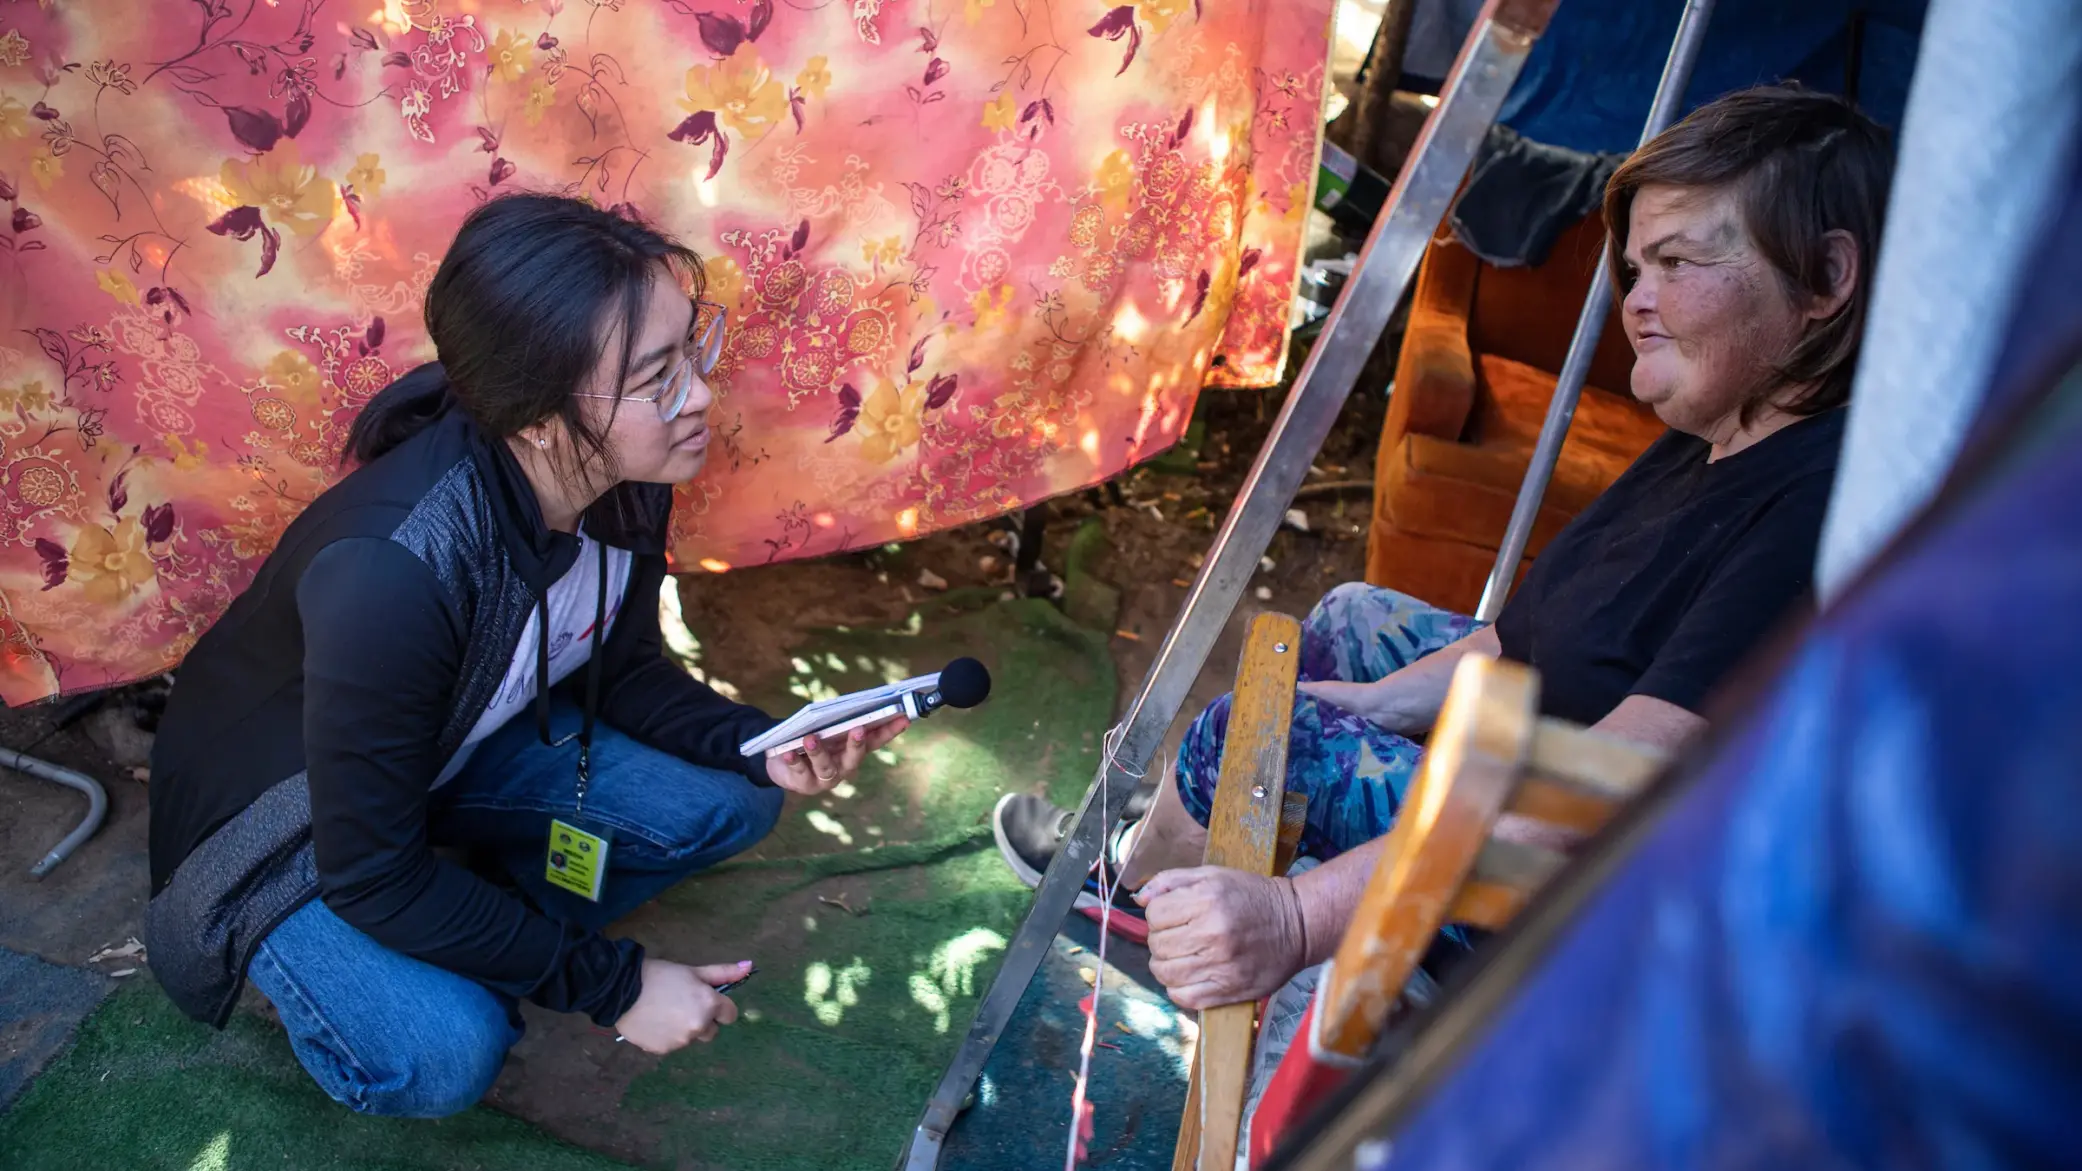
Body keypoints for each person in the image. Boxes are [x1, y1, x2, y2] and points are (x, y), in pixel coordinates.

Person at [994, 85, 1894, 1011]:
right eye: (1636, 266)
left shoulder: (1818, 514)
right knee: (1349, 623)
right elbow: (1522, 639)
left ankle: (1141, 902)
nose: (1638, 301)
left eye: (1675, 261)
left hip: (1588, 915)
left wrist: (1295, 917)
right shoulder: (1713, 434)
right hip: (1526, 752)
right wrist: (1371, 703)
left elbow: (1600, 801)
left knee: (1266, 735)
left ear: (1826, 279)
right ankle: (1176, 851)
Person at [143, 194, 907, 1117]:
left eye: (690, 351)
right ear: (541, 418)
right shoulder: (391, 574)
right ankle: (346, 970)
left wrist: (764, 737)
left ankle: (475, 913)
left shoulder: (619, 471)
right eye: (658, 375)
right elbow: (369, 871)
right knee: (444, 1053)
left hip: (456, 743)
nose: (701, 395)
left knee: (737, 795)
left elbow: (618, 670)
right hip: (286, 831)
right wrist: (616, 986)